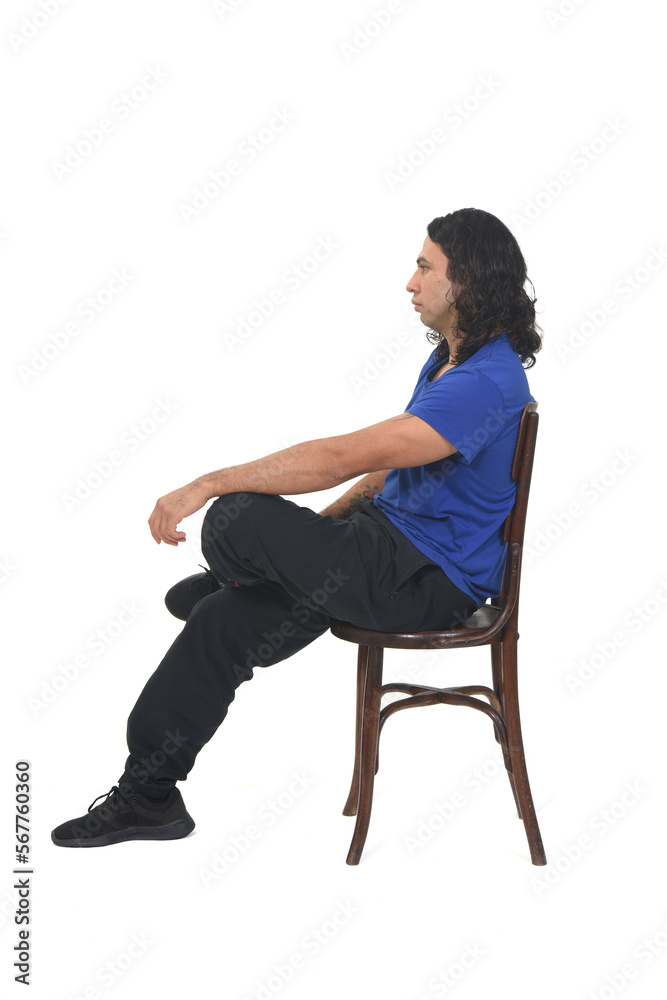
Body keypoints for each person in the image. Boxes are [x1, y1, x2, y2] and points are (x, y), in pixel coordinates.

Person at [51, 207, 542, 848]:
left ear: (468, 281)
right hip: (379, 553)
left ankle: (237, 569)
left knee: (231, 514)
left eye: (425, 267)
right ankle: (149, 798)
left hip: (424, 580)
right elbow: (382, 479)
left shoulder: (486, 382)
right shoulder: (451, 364)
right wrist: (304, 544)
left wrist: (207, 482)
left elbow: (348, 458)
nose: (410, 282)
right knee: (218, 623)